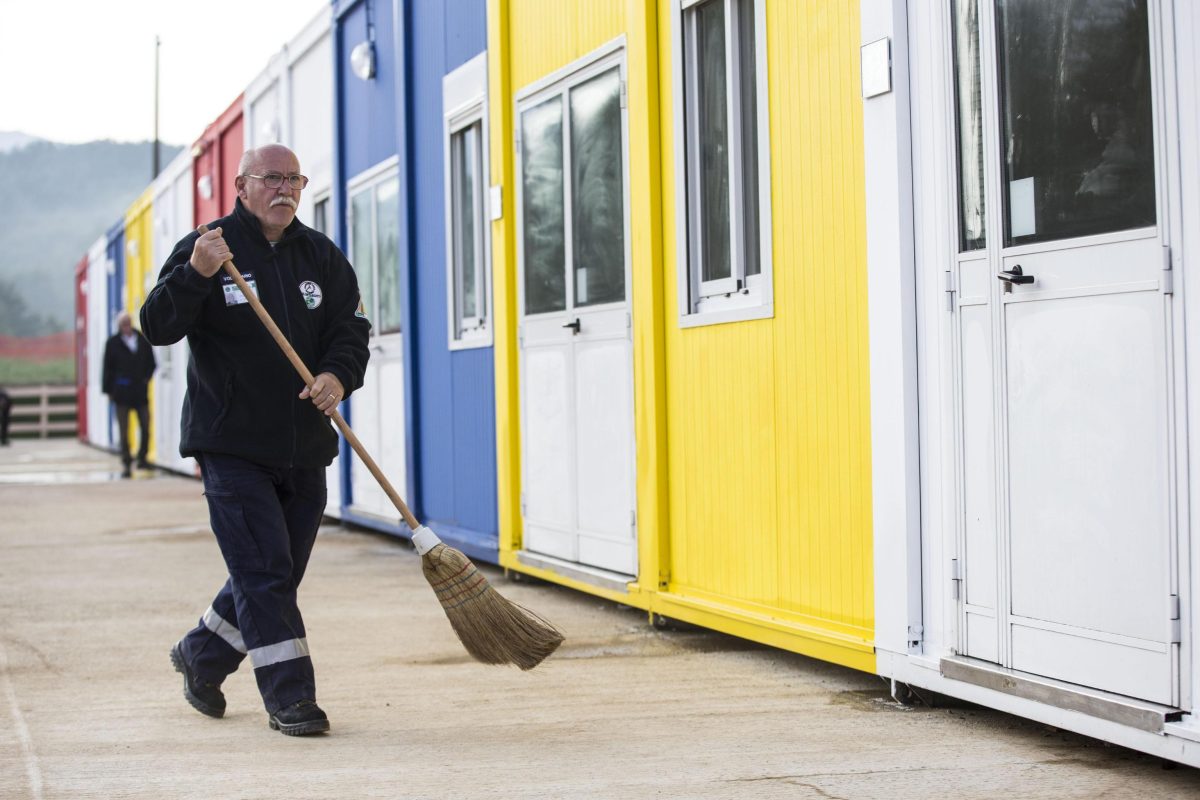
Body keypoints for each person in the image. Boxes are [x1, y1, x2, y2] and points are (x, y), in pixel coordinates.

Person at [140, 144, 370, 737]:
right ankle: (291, 698)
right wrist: (197, 274)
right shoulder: (209, 245)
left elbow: (351, 328)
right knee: (265, 571)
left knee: (275, 574)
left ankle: (201, 655)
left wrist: (336, 375)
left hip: (305, 447)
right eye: (272, 178)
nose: (285, 188)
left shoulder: (320, 254)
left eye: (294, 178)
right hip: (232, 444)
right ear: (242, 186)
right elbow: (158, 325)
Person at [102, 311, 156, 477]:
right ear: (119, 325)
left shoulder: (142, 339)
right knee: (124, 431)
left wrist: (146, 378)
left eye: (128, 322)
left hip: (140, 392)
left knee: (146, 426)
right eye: (123, 323)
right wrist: (108, 390)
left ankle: (142, 457)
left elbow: (151, 362)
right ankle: (126, 461)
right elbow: (107, 369)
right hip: (121, 393)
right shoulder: (112, 343)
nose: (126, 325)